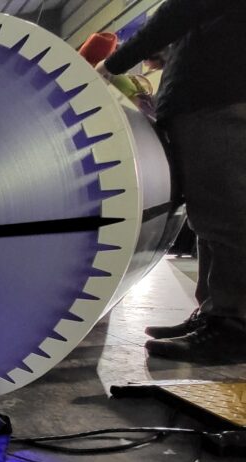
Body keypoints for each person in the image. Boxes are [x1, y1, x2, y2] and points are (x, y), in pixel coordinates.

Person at [97, 0, 246, 363]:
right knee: (209, 217)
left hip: (218, 99)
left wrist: (112, 64)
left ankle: (234, 327)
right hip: (207, 100)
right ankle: (214, 315)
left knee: (227, 216)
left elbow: (182, 8)